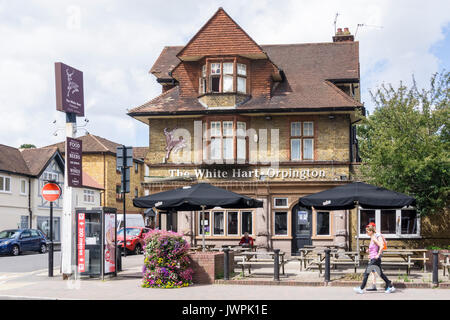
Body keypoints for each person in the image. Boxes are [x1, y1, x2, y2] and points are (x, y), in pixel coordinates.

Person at [354, 224, 395, 294]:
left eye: (367, 231)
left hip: (375, 259)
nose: (366, 233)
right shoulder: (372, 238)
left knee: (366, 273)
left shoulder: (374, 238)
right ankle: (390, 286)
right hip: (375, 258)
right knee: (380, 274)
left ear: (371, 231)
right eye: (366, 231)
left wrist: (378, 255)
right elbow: (374, 248)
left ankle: (361, 288)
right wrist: (369, 251)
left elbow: (381, 246)